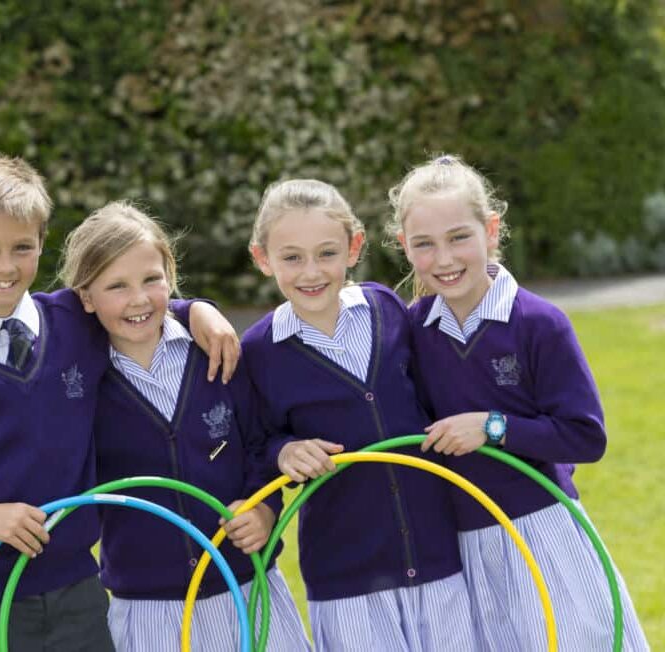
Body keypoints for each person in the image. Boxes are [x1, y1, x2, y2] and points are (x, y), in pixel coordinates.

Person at [0, 154, 239, 652]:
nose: (5, 266)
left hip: (80, 591)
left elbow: (131, 301)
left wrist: (198, 311)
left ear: (42, 242)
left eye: (22, 247)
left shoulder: (71, 321)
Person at [388, 153, 649, 651]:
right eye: (425, 245)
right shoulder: (413, 329)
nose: (444, 259)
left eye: (459, 237)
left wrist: (492, 427)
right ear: (405, 247)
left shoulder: (538, 323)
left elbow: (585, 435)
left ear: (491, 229)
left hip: (543, 529)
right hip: (464, 543)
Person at [57, 201, 310, 651]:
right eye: (116, 286)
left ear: (170, 277)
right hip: (151, 608)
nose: (138, 299)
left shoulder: (216, 354)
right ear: (86, 297)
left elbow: (261, 446)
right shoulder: (79, 381)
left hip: (248, 588)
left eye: (151, 280)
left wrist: (264, 510)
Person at [241, 178, 474, 651]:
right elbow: (256, 448)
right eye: (292, 258)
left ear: (354, 247)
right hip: (346, 576)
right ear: (262, 258)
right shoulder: (260, 352)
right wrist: (285, 451)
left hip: (436, 558)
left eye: (327, 253)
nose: (311, 272)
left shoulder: (386, 309)